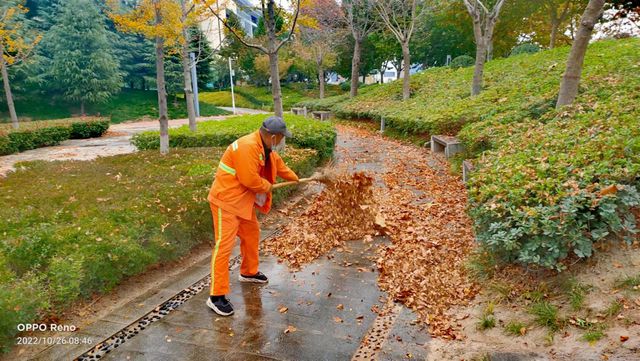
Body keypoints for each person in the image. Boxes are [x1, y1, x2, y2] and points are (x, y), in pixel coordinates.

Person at [205, 116, 299, 316]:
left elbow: (279, 166)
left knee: (252, 234)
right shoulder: (248, 147)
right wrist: (268, 186)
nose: (282, 141)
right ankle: (216, 296)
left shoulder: (265, 148)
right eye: (282, 137)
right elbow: (250, 180)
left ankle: (248, 272)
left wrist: (295, 179)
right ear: (273, 136)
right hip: (226, 201)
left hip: (242, 202)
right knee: (224, 245)